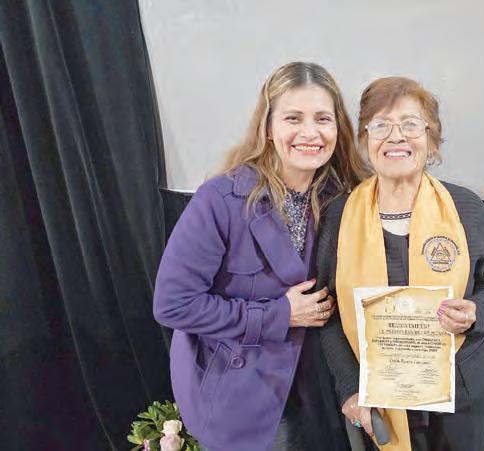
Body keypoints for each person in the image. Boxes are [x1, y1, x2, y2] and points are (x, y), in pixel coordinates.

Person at [153, 62, 368, 450]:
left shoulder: (345, 199)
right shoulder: (220, 199)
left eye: (323, 118)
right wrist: (279, 315)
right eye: (293, 118)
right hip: (245, 396)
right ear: (268, 127)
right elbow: (174, 305)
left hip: (320, 395)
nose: (310, 132)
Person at [316, 76, 484, 450]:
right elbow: (326, 312)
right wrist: (349, 388)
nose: (396, 137)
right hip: (377, 402)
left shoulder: (466, 208)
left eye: (410, 124)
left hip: (463, 399)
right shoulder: (339, 216)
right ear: (365, 139)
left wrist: (474, 312)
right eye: (381, 125)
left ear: (431, 138)